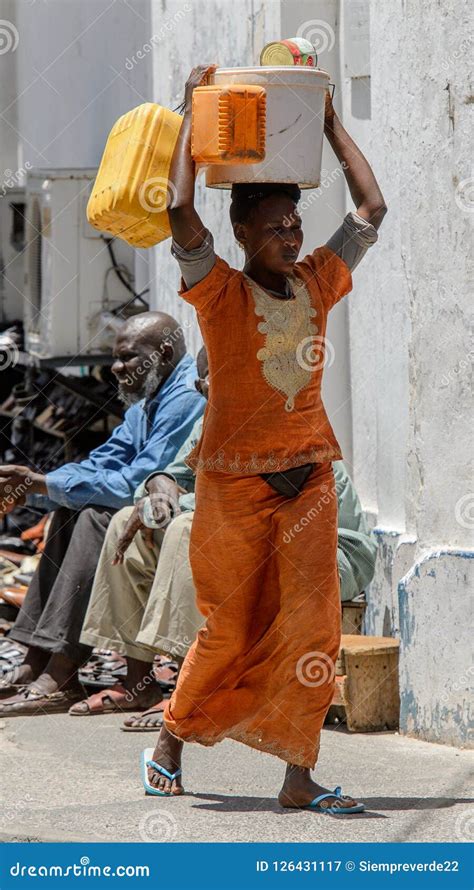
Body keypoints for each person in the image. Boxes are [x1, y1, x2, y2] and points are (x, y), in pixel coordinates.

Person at [141, 63, 387, 814]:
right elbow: (182, 207)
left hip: (308, 478)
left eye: (294, 223)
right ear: (241, 232)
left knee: (311, 630)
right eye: (273, 225)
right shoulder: (217, 294)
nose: (288, 233)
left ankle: (297, 775)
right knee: (230, 627)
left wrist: (330, 126)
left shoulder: (318, 280)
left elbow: (373, 206)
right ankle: (171, 739)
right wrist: (190, 115)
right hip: (235, 487)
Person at [70, 380, 377, 728]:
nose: (203, 389)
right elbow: (172, 475)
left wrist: (179, 505)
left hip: (326, 552)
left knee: (189, 528)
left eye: (211, 379)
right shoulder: (212, 420)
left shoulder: (281, 417)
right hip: (258, 539)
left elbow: (256, 500)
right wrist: (159, 492)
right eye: (202, 383)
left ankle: (191, 693)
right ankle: (138, 681)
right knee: (128, 519)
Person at [0, 312, 205, 714]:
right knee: (70, 508)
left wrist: (44, 485)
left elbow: (138, 481)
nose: (115, 367)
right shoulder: (147, 400)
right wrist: (40, 487)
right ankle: (37, 660)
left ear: (163, 354)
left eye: (128, 357)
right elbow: (102, 463)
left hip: (189, 517)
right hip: (161, 514)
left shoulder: (186, 397)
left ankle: (60, 668)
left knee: (95, 514)